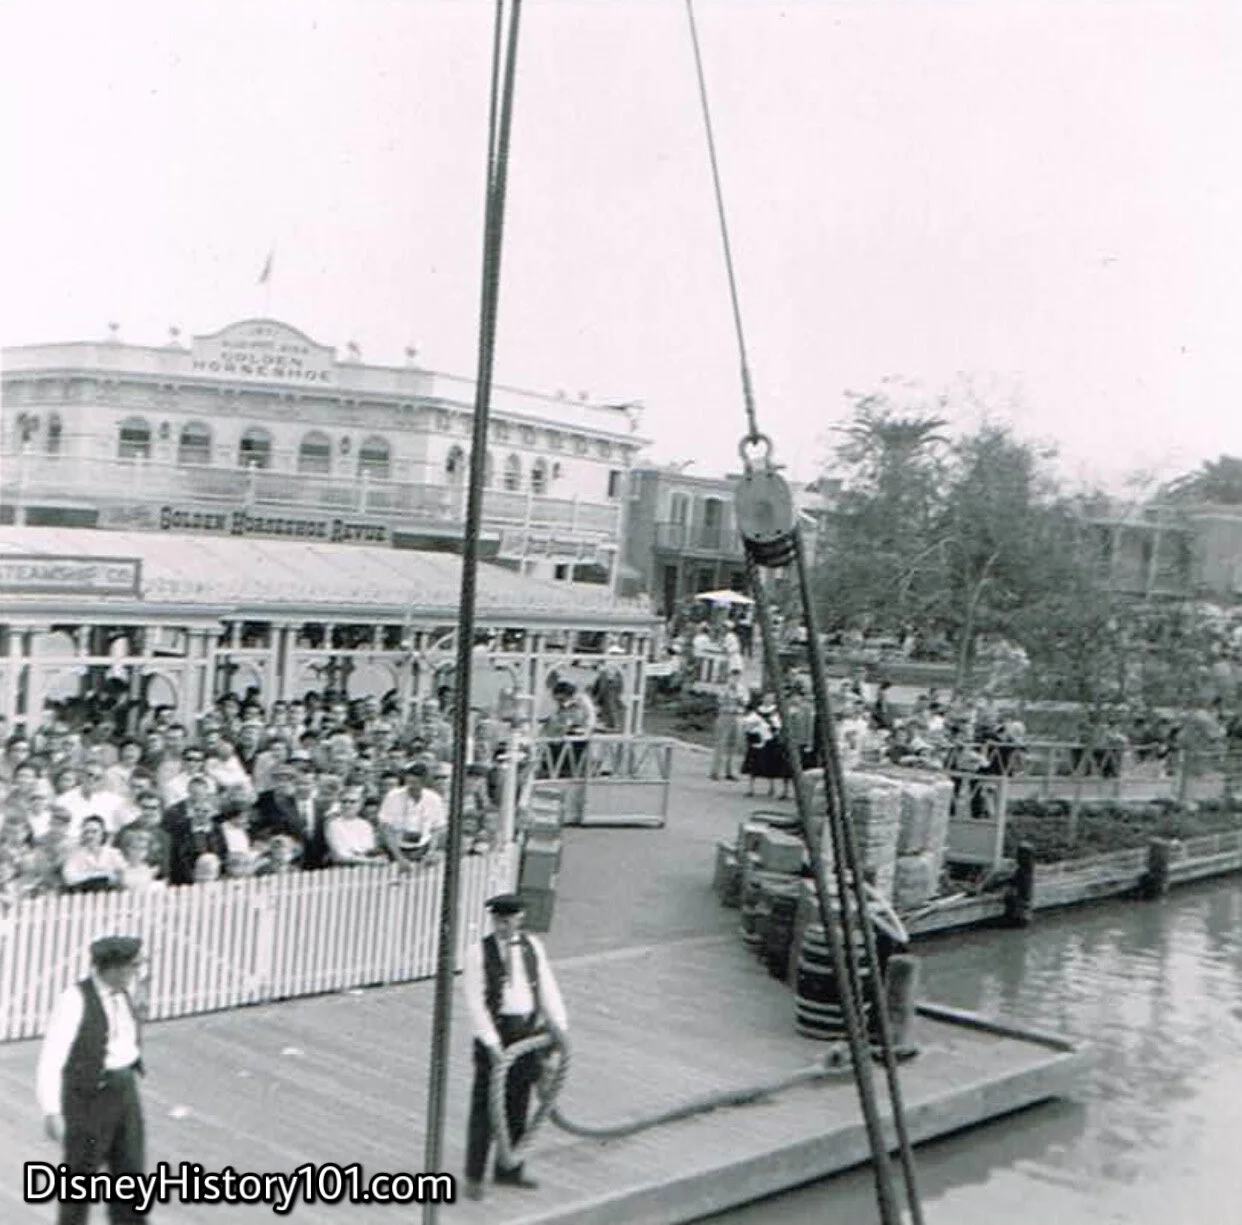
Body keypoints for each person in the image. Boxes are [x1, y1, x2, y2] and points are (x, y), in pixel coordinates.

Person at [462, 893, 569, 1201]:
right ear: (493, 920)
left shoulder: (532, 948)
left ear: (520, 920)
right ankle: (474, 1176)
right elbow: (475, 1002)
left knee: (517, 1104)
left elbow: (547, 988)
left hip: (527, 1033)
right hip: (497, 1033)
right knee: (485, 1107)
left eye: (511, 921)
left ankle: (509, 1169)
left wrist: (559, 1028)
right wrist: (491, 1042)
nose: (505, 927)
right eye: (500, 921)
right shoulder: (477, 953)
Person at [36, 934, 148, 1224]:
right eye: (131, 967)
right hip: (89, 1098)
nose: (135, 973)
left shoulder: (123, 993)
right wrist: (52, 1110)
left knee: (131, 1173)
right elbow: (52, 1056)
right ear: (113, 968)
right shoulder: (75, 1000)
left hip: (124, 1090)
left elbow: (125, 1037)